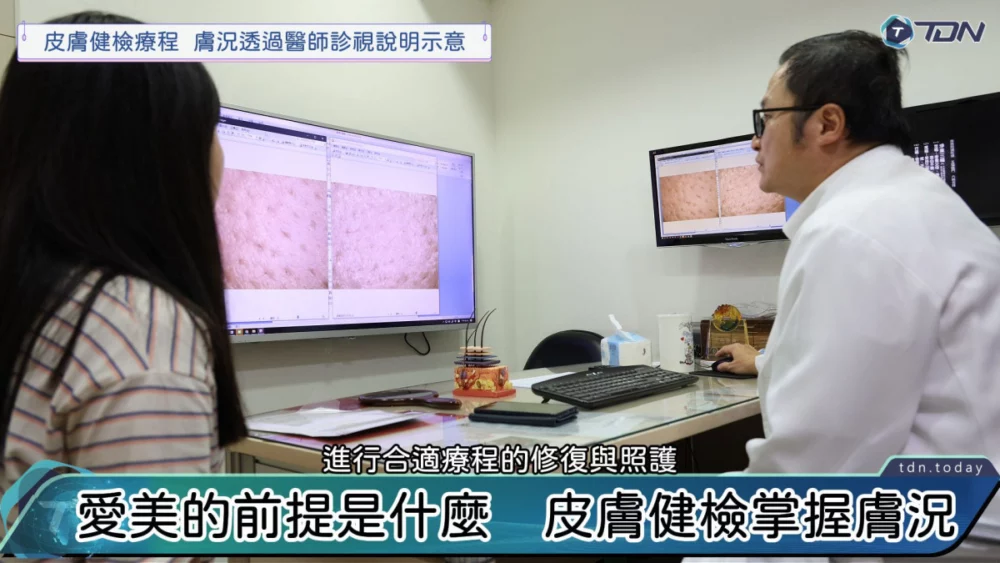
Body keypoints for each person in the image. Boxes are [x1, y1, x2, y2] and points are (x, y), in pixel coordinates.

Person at [704, 30, 1000, 561]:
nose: (754, 141)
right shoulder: (902, 201)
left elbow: (811, 476)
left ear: (827, 124)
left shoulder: (853, 230)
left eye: (765, 118)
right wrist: (768, 360)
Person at [0, 8, 248, 517]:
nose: (220, 153)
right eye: (210, 128)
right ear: (154, 157)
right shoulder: (141, 328)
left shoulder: (35, 297)